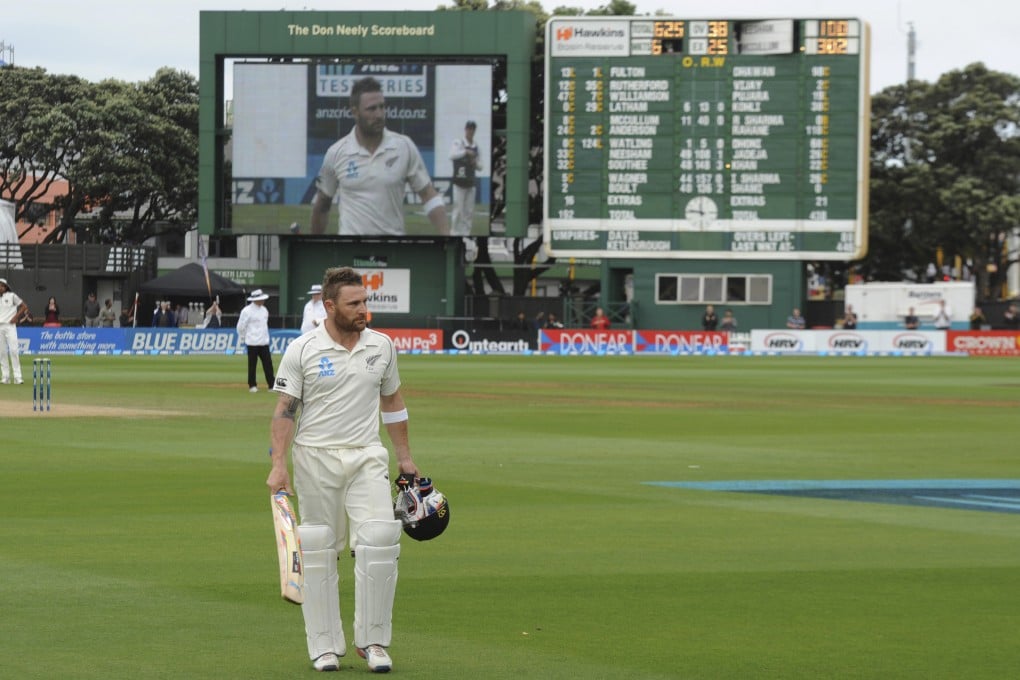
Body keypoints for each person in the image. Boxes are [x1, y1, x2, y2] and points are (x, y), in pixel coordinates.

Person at [267, 266, 420, 674]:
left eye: (366, 302)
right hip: (314, 457)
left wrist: (404, 457)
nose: (363, 310)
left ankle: (373, 643)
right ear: (329, 305)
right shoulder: (303, 349)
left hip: (367, 454)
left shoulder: (382, 347)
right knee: (318, 549)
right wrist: (278, 464)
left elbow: (393, 402)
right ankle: (324, 646)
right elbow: (285, 411)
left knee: (381, 541)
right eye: (354, 304)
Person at [310, 77, 449, 237]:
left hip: (394, 251)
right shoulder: (336, 153)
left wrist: (447, 236)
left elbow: (427, 194)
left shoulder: (404, 147)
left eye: (382, 107)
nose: (379, 114)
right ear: (355, 112)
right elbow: (322, 205)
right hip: (350, 250)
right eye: (372, 109)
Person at [237, 289, 274, 393]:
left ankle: (271, 385)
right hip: (252, 342)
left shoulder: (264, 310)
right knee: (252, 365)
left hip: (263, 342)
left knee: (268, 364)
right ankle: (252, 385)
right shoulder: (246, 311)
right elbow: (240, 327)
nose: (263, 301)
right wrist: (244, 337)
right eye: (261, 299)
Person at [449, 120, 482, 236]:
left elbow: (480, 166)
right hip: (459, 181)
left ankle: (466, 233)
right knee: (458, 208)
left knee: (468, 211)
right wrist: (466, 152)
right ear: (465, 129)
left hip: (470, 182)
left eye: (472, 129)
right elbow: (452, 155)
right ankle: (454, 232)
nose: (470, 131)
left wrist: (475, 164)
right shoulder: (459, 143)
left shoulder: (476, 146)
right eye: (469, 129)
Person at [0, 278, 30, 385]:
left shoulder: (12, 296)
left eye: (2, 286)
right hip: (0, 327)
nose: (0, 287)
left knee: (13, 351)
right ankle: (5, 377)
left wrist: (16, 317)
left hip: (10, 326)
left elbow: (24, 306)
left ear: (6, 287)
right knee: (2, 353)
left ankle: (18, 377)